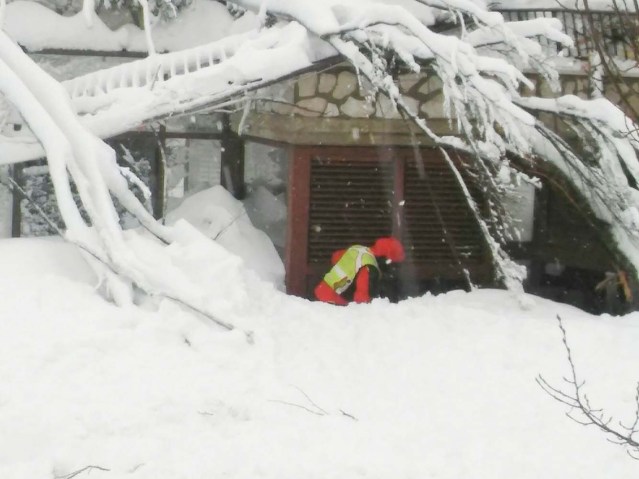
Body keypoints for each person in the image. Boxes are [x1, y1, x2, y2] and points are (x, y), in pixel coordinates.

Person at [314, 236, 405, 305]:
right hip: (333, 301)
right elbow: (361, 297)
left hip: (321, 291)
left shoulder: (358, 249)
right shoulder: (369, 266)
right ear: (386, 259)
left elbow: (335, 257)